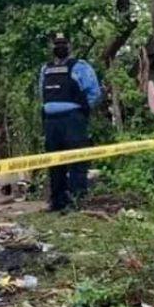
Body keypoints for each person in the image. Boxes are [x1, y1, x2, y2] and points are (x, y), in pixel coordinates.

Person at [39, 34, 101, 212]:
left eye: (63, 43)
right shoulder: (46, 69)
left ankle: (76, 200)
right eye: (56, 44)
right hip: (51, 122)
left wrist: (80, 112)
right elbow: (42, 93)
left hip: (73, 120)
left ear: (70, 46)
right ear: (51, 47)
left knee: (77, 161)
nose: (59, 47)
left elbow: (94, 93)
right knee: (54, 161)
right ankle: (57, 201)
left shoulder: (80, 67)